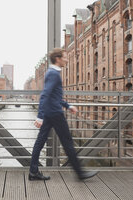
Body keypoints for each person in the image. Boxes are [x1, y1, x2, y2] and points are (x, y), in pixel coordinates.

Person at [29, 48, 98, 181]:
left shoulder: (52, 73)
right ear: (58, 59)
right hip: (54, 114)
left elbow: (54, 96)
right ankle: (80, 173)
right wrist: (40, 116)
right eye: (65, 57)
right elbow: (45, 95)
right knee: (67, 143)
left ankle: (33, 172)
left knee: (40, 142)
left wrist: (68, 105)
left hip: (51, 112)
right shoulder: (53, 74)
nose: (67, 59)